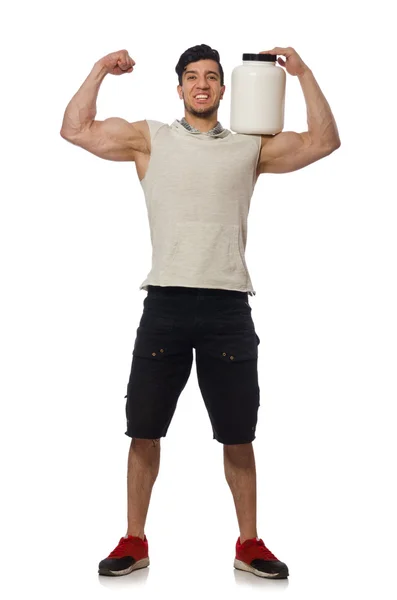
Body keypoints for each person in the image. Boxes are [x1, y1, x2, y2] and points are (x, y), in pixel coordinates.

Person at [60, 44, 341, 580]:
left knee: (238, 434)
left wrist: (303, 74)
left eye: (212, 77)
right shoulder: (150, 138)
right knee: (144, 429)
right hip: (164, 302)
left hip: (228, 306)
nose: (203, 85)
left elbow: (324, 141)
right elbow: (75, 128)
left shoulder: (247, 147)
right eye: (193, 77)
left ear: (224, 88)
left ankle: (250, 543)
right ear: (180, 88)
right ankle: (134, 540)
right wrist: (99, 69)